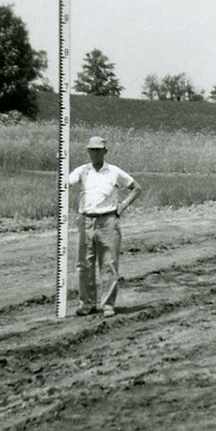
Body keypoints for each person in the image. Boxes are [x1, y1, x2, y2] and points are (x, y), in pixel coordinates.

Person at [68, 135, 142, 317]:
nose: (94, 153)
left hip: (108, 222)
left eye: (98, 150)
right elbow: (64, 184)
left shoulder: (114, 171)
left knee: (109, 263)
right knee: (84, 264)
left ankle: (107, 305)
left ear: (105, 151)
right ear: (88, 151)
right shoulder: (82, 171)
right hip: (86, 221)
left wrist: (122, 207)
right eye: (91, 150)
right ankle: (87, 304)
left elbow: (136, 188)